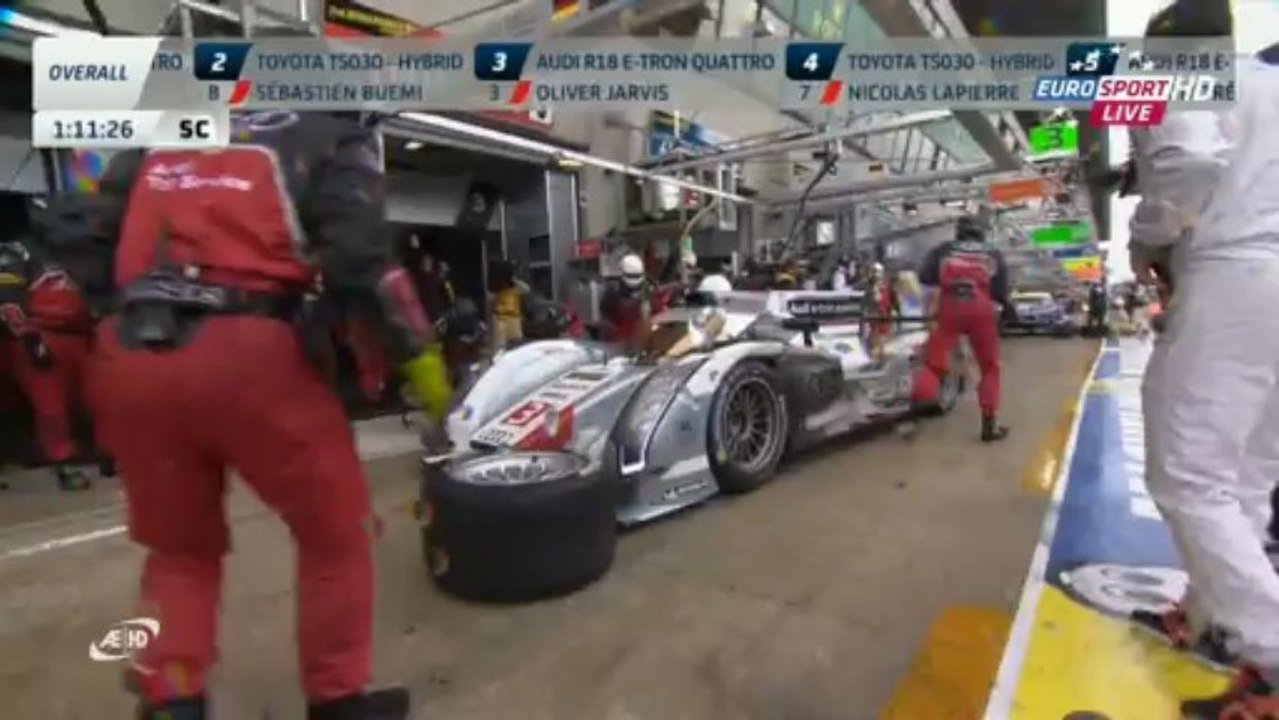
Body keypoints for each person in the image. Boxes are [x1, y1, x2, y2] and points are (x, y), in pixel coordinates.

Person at [64, 111, 449, 720]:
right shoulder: (332, 133)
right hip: (252, 353)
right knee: (337, 532)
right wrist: (420, 358)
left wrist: (118, 320)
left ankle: (172, 701)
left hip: (132, 351)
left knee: (178, 549)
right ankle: (338, 700)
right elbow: (360, 262)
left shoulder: (164, 135)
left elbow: (84, 241)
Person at [1142, 23, 1279, 719]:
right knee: (1246, 472)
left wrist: (1147, 240)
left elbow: (1187, 164)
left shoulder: (1186, 78)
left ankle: (1271, 655)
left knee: (1187, 476)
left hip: (1236, 275)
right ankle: (1213, 623)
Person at [0, 239, 92, 490]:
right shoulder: (10, 255)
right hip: (34, 335)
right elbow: (8, 301)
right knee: (50, 405)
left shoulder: (31, 248)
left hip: (73, 331)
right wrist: (29, 337)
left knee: (94, 396)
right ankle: (64, 463)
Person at [911, 215, 1010, 442]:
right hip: (981, 308)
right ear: (981, 232)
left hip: (950, 306)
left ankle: (919, 406)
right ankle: (989, 425)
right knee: (989, 367)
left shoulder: (943, 250)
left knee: (933, 361)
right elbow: (1000, 292)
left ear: (958, 231)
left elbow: (925, 278)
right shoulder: (992, 253)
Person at [599, 253, 667, 346]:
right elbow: (605, 314)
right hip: (618, 336)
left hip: (642, 333)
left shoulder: (648, 285)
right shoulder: (613, 288)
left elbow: (657, 310)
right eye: (631, 276)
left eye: (636, 276)